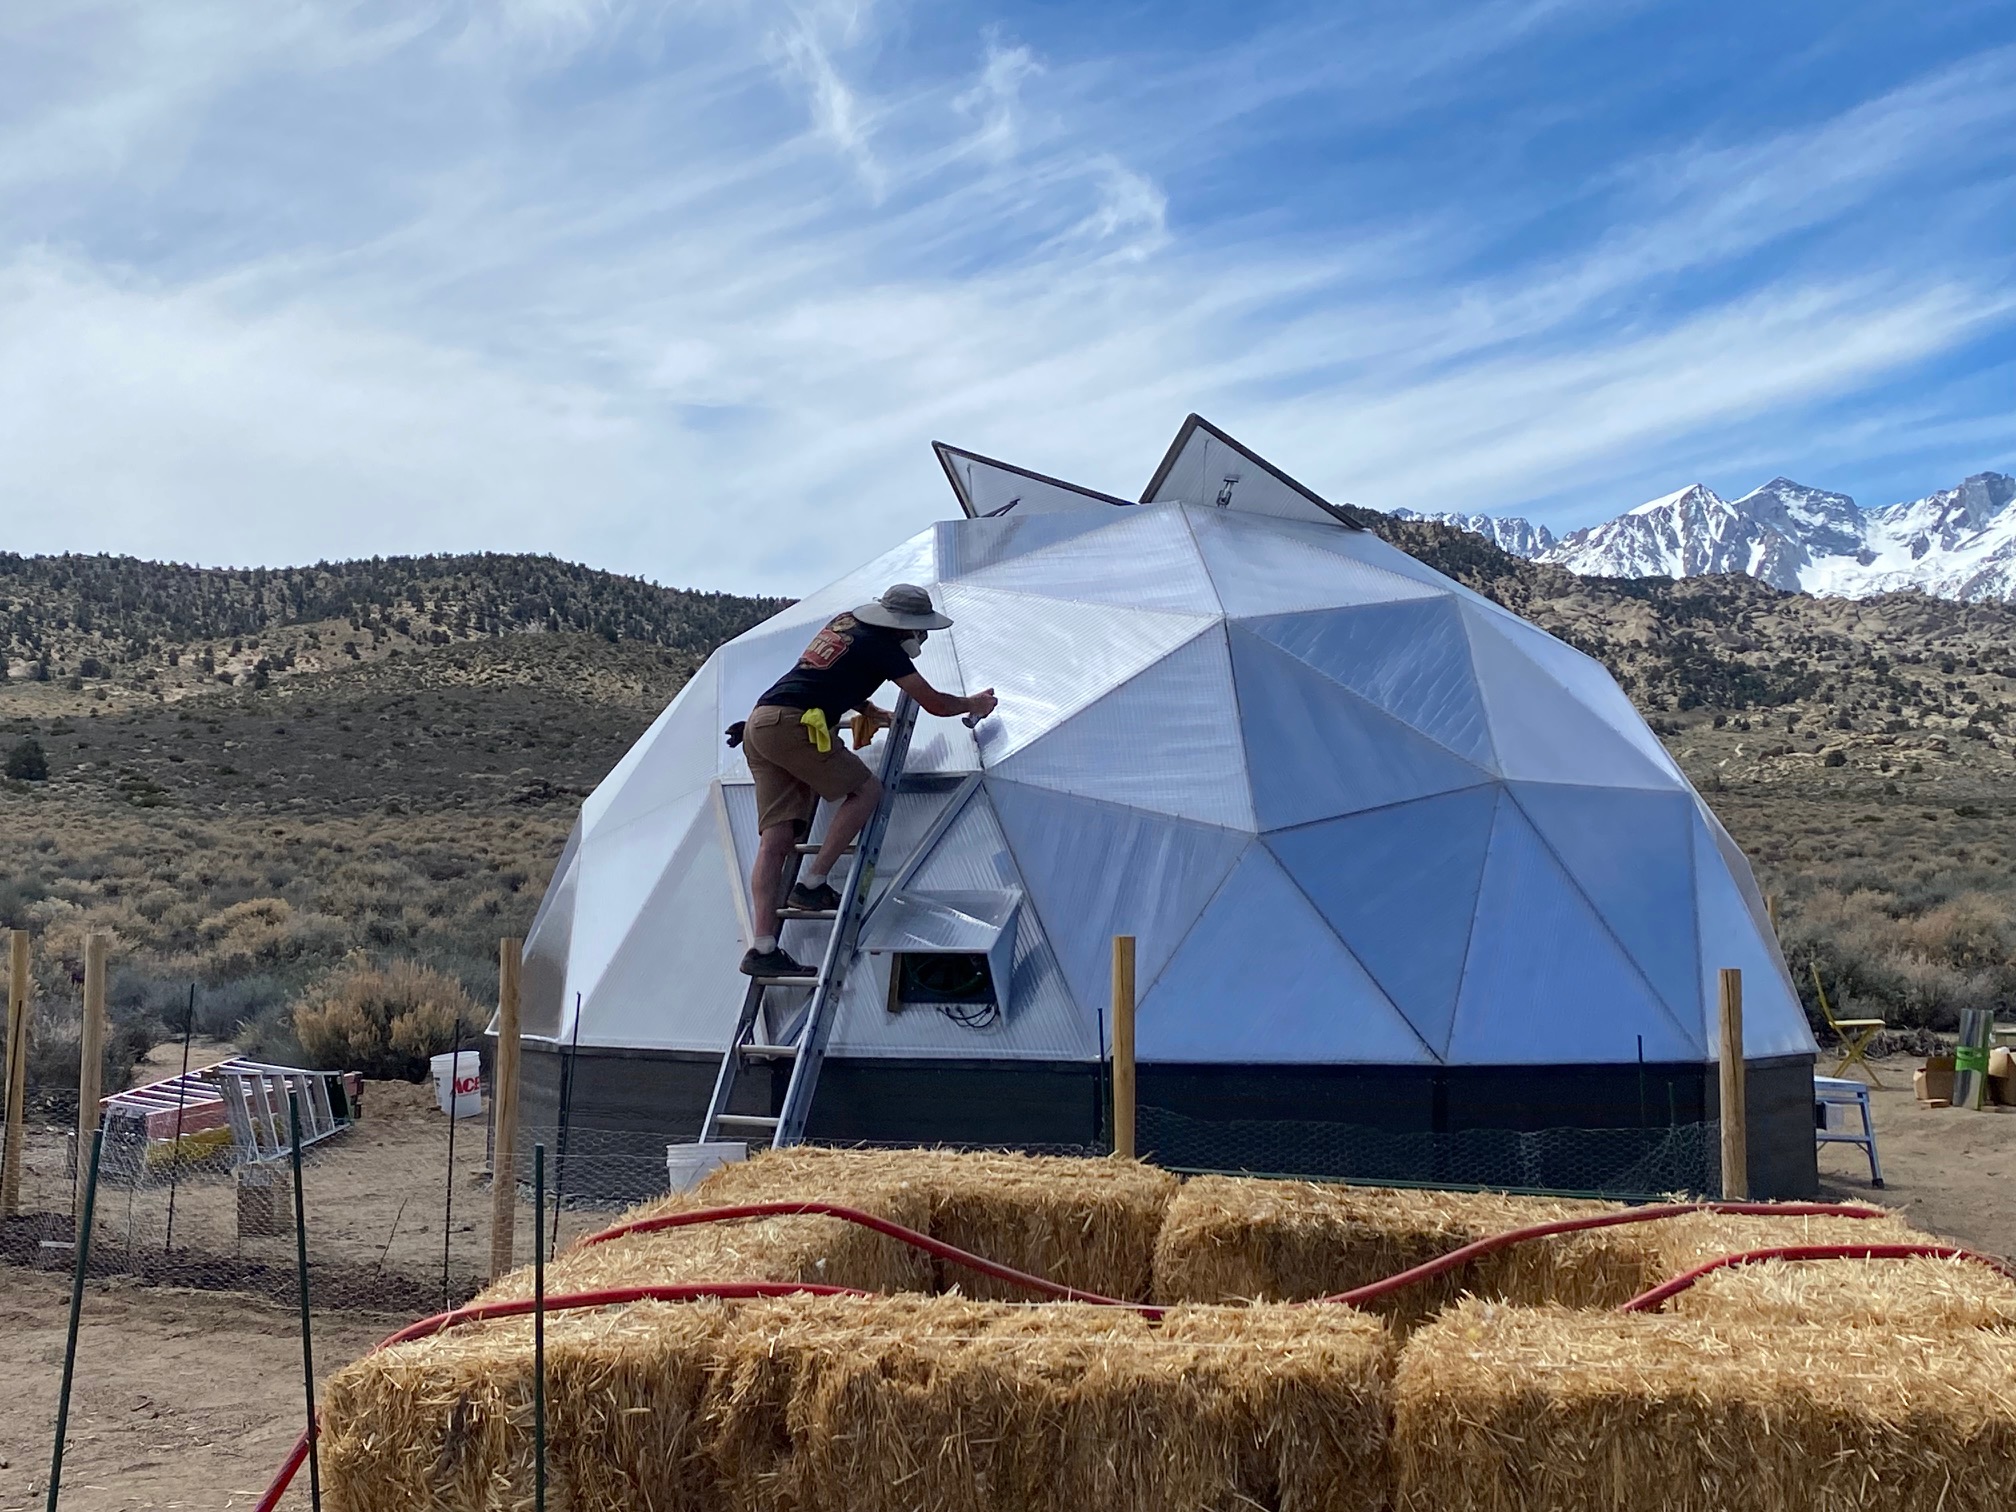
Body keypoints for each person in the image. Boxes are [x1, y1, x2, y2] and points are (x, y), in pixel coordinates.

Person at [735, 583, 997, 977]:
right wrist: (973, 705)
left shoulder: (844, 624)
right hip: (791, 726)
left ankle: (763, 947)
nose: (921, 637)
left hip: (760, 723)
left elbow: (828, 673)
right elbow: (935, 703)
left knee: (775, 842)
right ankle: (812, 884)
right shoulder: (884, 647)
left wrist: (866, 707)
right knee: (865, 791)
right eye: (919, 630)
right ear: (905, 626)